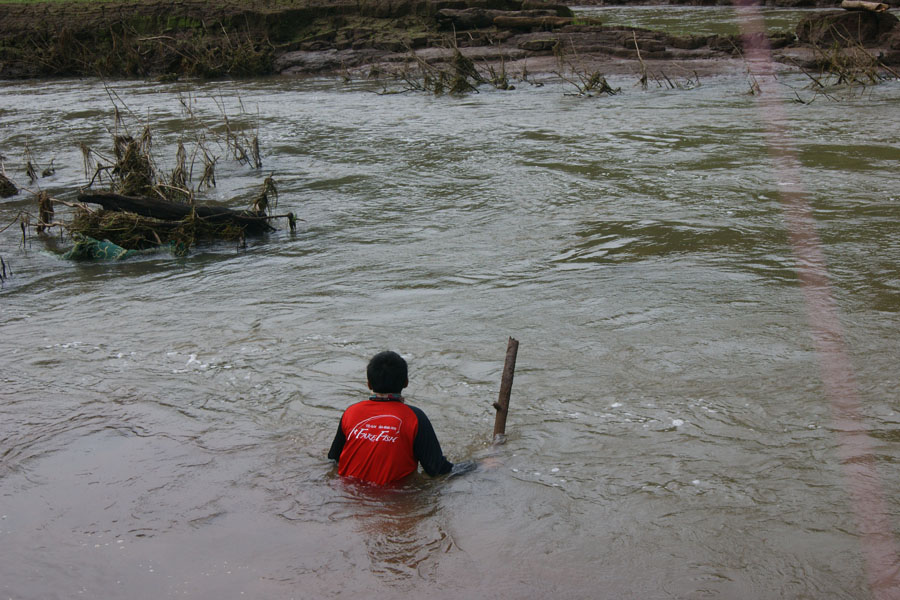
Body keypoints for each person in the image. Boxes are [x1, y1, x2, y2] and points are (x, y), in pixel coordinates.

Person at [328, 350, 457, 486]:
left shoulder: (351, 412)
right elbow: (437, 470)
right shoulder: (415, 417)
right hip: (392, 500)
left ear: (369, 384)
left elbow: (333, 459)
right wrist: (474, 466)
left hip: (348, 494)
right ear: (406, 382)